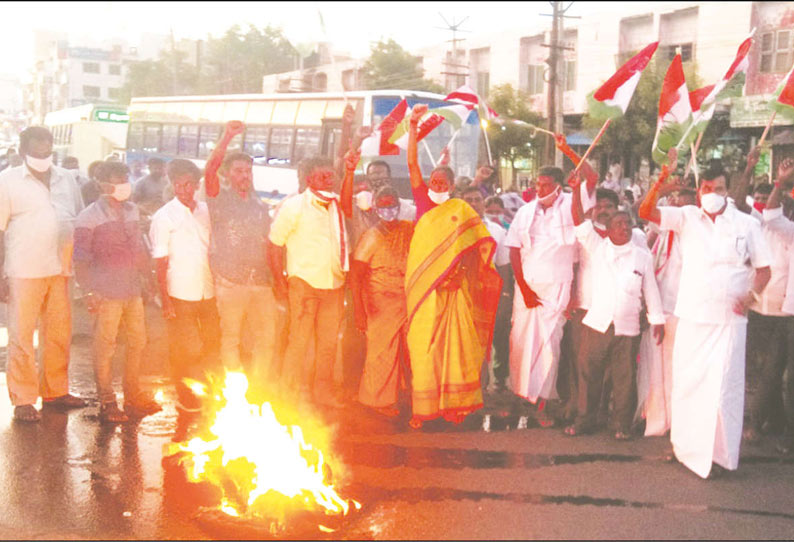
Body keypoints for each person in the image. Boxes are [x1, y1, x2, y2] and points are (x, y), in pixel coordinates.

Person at [638, 150, 772, 479]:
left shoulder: (747, 223)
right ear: (700, 190)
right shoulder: (686, 216)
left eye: (719, 188)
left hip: (730, 320)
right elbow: (645, 211)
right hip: (692, 315)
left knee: (724, 386)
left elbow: (764, 270)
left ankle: (721, 454)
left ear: (728, 190)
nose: (712, 194)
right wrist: (662, 186)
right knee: (688, 383)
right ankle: (685, 448)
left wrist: (750, 297)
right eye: (707, 188)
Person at [404, 104, 502, 428]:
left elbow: (479, 248)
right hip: (425, 293)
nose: (438, 185)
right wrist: (414, 126)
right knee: (424, 350)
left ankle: (455, 406)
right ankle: (424, 408)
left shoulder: (461, 209)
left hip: (456, 291)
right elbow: (411, 163)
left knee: (458, 351)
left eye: (444, 182)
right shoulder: (421, 201)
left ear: (452, 186)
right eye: (434, 180)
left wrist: (459, 274)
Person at [504, 135, 597, 426]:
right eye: (537, 184)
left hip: (558, 287)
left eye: (545, 185)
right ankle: (521, 398)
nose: (539, 189)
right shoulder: (525, 211)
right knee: (519, 343)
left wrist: (567, 151)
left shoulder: (573, 202)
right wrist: (523, 288)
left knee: (549, 346)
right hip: (527, 289)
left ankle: (543, 404)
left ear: (558, 186)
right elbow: (515, 251)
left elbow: (591, 177)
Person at [565, 172, 665, 439]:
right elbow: (578, 220)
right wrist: (575, 190)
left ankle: (620, 425)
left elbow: (651, 291)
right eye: (618, 224)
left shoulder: (642, 256)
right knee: (589, 375)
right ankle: (584, 420)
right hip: (596, 323)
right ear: (607, 229)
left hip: (627, 328)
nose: (623, 228)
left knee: (624, 380)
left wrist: (657, 320)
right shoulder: (596, 247)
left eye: (627, 225)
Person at [0, 126, 86, 422]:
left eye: (47, 150)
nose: (42, 156)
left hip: (61, 269)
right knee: (22, 335)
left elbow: (77, 217)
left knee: (59, 333)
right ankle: (23, 399)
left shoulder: (67, 179)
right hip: (24, 269)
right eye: (37, 151)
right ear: (24, 152)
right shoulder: (8, 181)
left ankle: (56, 391)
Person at [73, 161, 160, 423]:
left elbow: (139, 250)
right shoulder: (88, 217)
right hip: (105, 290)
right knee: (105, 345)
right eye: (117, 179)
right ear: (102, 184)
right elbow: (81, 259)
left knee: (137, 341)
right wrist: (89, 291)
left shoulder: (132, 211)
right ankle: (107, 400)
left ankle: (132, 395)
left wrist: (148, 279)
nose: (124, 184)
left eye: (125, 178)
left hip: (132, 288)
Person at [268, 153, 355, 408]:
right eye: (323, 176)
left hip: (334, 284)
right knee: (299, 342)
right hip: (304, 284)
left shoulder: (337, 204)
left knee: (328, 345)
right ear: (309, 179)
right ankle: (288, 394)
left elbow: (349, 205)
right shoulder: (294, 206)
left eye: (332, 175)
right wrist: (280, 282)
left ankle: (323, 393)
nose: (329, 180)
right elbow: (274, 245)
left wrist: (349, 172)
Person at [203, 121, 276, 387]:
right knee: (231, 337)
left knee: (266, 337)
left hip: (260, 282)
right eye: (238, 171)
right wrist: (227, 137)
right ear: (228, 175)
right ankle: (234, 389)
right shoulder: (218, 197)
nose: (245, 175)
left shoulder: (258, 204)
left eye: (248, 170)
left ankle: (258, 386)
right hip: (230, 281)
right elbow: (209, 169)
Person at [149, 158, 220, 414]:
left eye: (188, 184)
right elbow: (160, 262)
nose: (183, 190)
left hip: (207, 289)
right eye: (178, 185)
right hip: (179, 291)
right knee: (183, 348)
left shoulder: (206, 210)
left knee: (211, 343)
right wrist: (165, 300)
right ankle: (185, 395)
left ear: (196, 185)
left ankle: (207, 389)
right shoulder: (164, 216)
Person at [636, 182, 696, 437]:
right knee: (655, 367)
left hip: (688, 312)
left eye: (684, 202)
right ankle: (657, 418)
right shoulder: (662, 231)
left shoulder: (698, 234)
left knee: (682, 370)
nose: (678, 206)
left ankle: (682, 422)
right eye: (675, 202)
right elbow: (648, 258)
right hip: (661, 309)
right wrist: (660, 186)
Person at [350, 186, 414, 416]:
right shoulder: (371, 236)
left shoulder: (409, 229)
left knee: (408, 351)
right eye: (383, 206)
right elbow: (355, 276)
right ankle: (375, 401)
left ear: (399, 205)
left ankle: (403, 395)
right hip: (380, 301)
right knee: (381, 351)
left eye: (392, 205)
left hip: (408, 299)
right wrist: (359, 311)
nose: (389, 210)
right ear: (376, 208)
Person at [743, 158, 794, 447]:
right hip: (777, 312)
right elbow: (772, 215)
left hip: (780, 310)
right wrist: (781, 183)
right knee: (771, 371)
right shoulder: (783, 228)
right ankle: (765, 423)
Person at [462, 185, 513, 392]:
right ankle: (475, 384)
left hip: (492, 292)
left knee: (498, 336)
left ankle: (500, 381)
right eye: (468, 200)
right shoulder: (453, 229)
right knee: (469, 339)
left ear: (483, 203)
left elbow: (504, 265)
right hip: (463, 293)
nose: (473, 204)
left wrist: (507, 294)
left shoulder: (497, 231)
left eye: (476, 200)